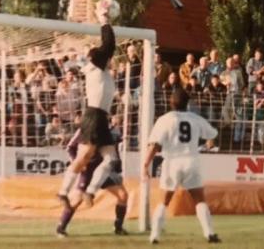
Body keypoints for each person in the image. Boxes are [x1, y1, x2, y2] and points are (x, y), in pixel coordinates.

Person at [57, 2, 118, 208]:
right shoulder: (96, 65)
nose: (109, 57)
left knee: (110, 159)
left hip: (100, 117)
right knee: (84, 157)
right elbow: (109, 44)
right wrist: (104, 20)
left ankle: (88, 192)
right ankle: (64, 192)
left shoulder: (101, 72)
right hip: (93, 116)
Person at [143, 89, 220, 244]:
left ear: (171, 102)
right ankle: (210, 233)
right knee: (199, 200)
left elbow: (155, 145)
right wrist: (205, 139)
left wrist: (145, 164)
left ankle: (155, 236)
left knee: (164, 201)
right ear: (188, 103)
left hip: (172, 162)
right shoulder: (195, 118)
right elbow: (212, 134)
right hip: (191, 160)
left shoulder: (165, 119)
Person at [56, 129, 128, 237]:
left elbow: (114, 151)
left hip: (104, 171)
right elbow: (70, 148)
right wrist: (77, 163)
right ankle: (61, 227)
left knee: (123, 195)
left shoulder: (110, 132)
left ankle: (118, 227)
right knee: (77, 200)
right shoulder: (84, 130)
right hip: (88, 171)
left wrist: (117, 168)